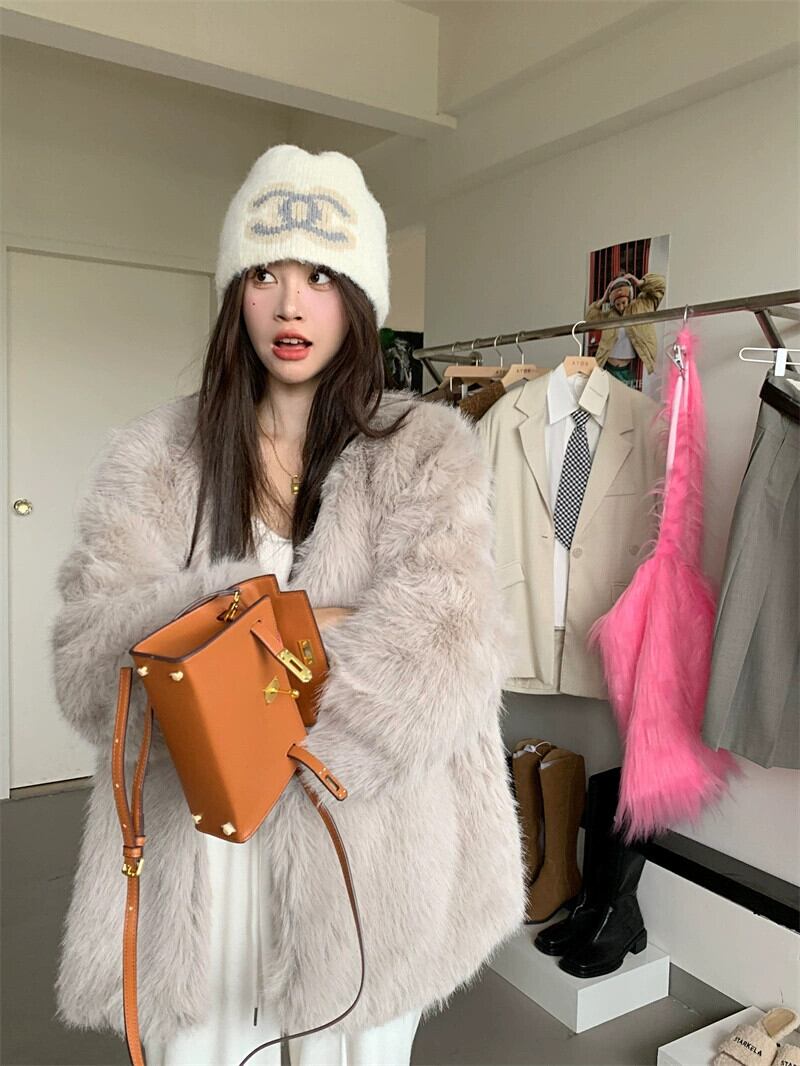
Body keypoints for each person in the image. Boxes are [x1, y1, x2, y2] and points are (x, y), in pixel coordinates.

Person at [50, 145, 526, 1065]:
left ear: (359, 298)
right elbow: (89, 662)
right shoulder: (156, 455)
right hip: (204, 854)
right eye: (265, 273)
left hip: (370, 852)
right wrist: (302, 630)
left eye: (321, 276)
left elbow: (448, 652)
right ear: (236, 293)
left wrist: (223, 655)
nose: (291, 305)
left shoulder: (425, 450)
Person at [586, 272, 666, 387]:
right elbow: (589, 319)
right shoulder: (609, 316)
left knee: (628, 396)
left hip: (629, 369)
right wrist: (603, 299)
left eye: (623, 302)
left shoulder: (642, 306)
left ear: (629, 297)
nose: (621, 307)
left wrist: (640, 282)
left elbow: (661, 285)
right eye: (617, 304)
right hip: (607, 368)